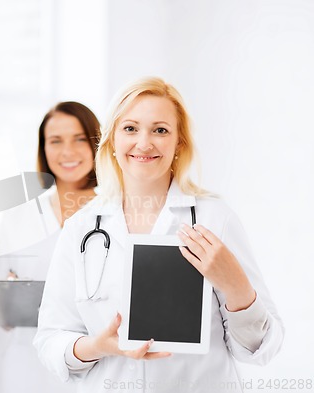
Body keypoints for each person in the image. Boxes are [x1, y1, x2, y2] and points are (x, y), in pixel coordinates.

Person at [34, 77, 284, 393]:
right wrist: (98, 346)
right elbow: (50, 339)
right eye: (130, 128)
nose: (144, 142)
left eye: (160, 130)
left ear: (179, 142)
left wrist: (238, 288)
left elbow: (264, 348)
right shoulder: (82, 228)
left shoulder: (214, 219)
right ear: (111, 139)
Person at [0, 102, 101, 393]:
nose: (68, 152)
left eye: (79, 139)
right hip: (26, 365)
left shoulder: (120, 211)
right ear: (43, 149)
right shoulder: (18, 214)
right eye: (55, 141)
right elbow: (0, 304)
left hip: (95, 364)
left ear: (97, 143)